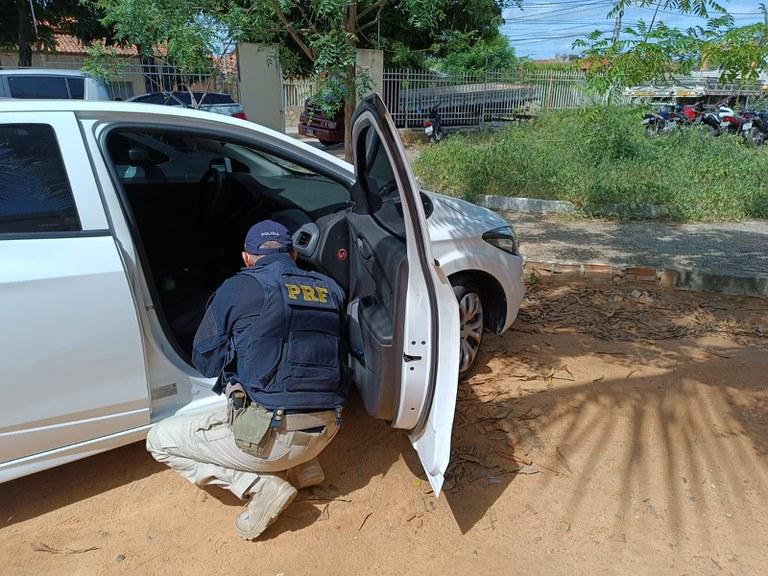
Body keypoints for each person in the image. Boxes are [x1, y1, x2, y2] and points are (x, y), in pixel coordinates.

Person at [146, 220, 346, 540]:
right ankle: (306, 468)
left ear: (247, 258)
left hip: (272, 440)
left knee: (158, 440)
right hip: (328, 430)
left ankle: (261, 486)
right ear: (293, 254)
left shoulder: (237, 288)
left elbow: (206, 361)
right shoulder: (330, 288)